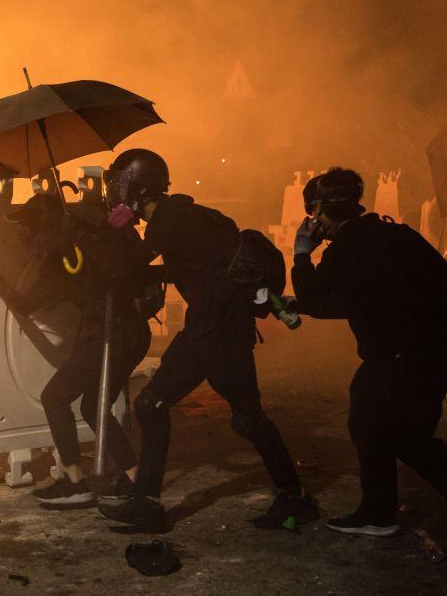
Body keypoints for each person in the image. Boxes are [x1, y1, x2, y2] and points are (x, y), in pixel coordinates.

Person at [97, 148, 316, 532]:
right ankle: (148, 502)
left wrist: (112, 232)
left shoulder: (166, 221)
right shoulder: (186, 214)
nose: (116, 192)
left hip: (218, 332)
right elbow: (188, 267)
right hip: (215, 327)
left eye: (120, 184)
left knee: (242, 417)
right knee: (159, 406)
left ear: (140, 188)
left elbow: (126, 267)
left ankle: (293, 496)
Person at [292, 167, 447, 549]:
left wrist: (302, 254)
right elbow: (439, 294)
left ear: (322, 210)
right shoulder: (395, 234)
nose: (312, 223)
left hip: (405, 361)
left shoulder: (348, 249)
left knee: (406, 438)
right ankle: (378, 514)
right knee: (367, 419)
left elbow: (318, 299)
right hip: (425, 353)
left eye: (313, 213)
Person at [0, 191, 159, 507]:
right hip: (135, 333)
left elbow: (26, 303)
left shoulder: (61, 257)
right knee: (93, 407)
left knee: (55, 397)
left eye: (29, 227)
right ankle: (135, 478)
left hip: (110, 335)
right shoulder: (89, 236)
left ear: (41, 226)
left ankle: (75, 483)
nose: (26, 235)